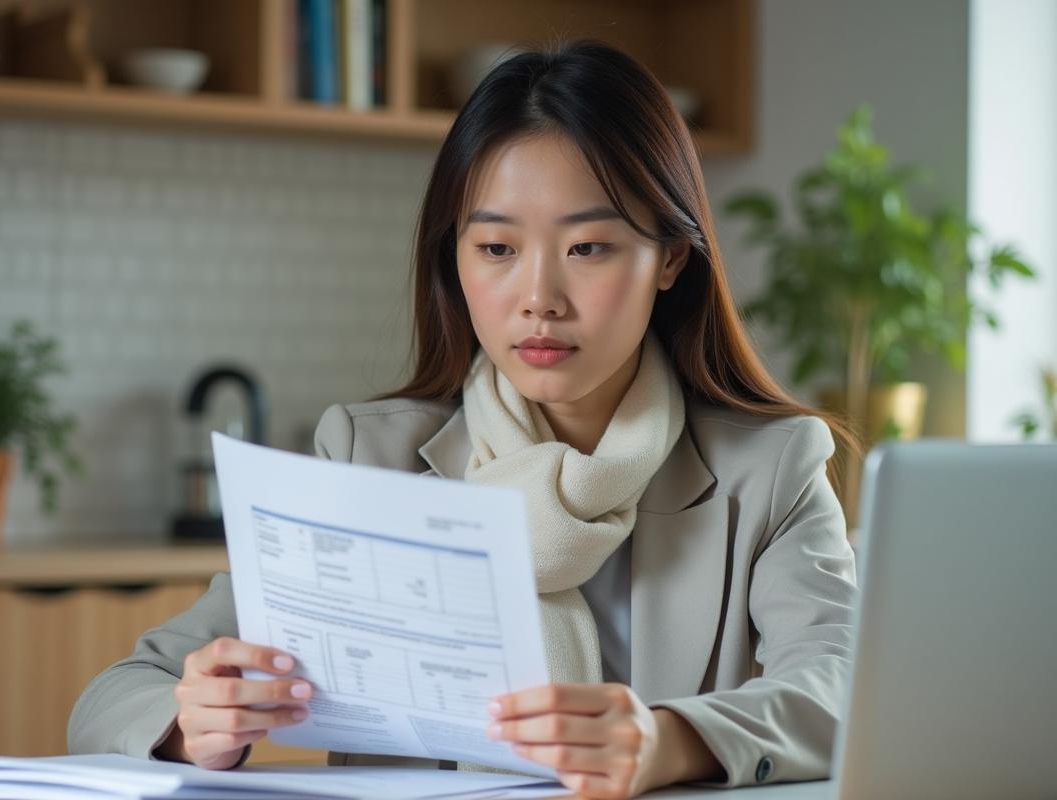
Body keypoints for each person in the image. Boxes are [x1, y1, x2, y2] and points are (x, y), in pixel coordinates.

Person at [69, 41, 859, 800]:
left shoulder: (773, 469)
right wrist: (190, 721)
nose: (538, 295)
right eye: (496, 247)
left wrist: (668, 741)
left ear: (672, 259)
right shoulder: (364, 460)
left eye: (587, 247)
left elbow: (844, 686)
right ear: (457, 258)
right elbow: (114, 695)